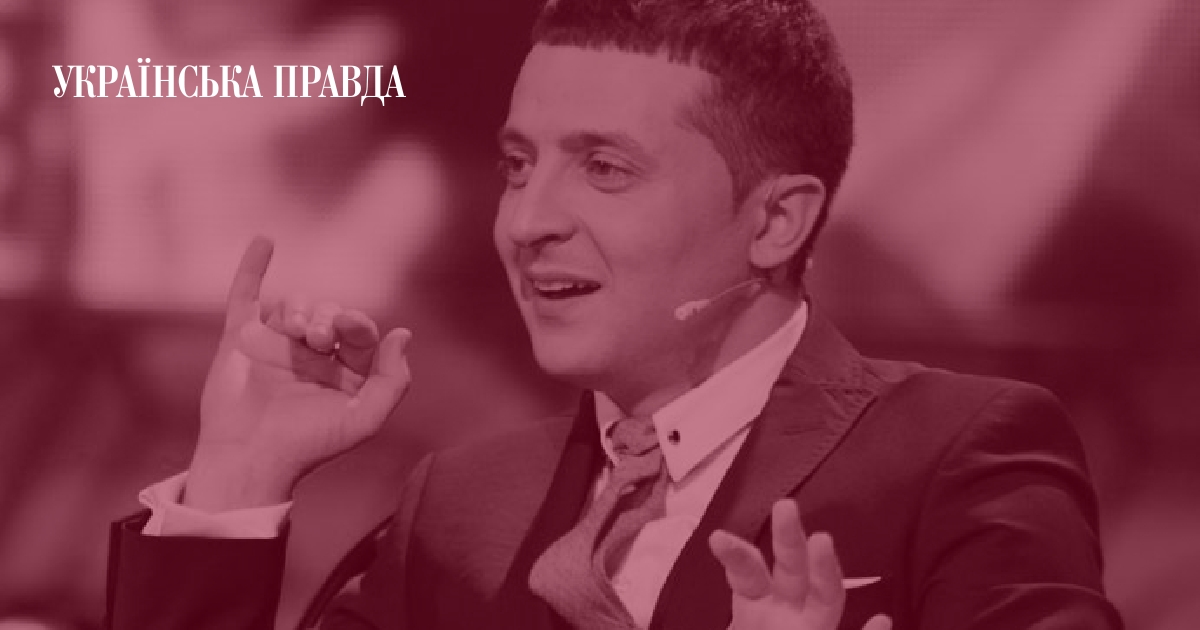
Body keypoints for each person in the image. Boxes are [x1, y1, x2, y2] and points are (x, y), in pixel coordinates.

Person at [105, 0, 1123, 628]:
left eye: (604, 168)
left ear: (775, 222)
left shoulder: (957, 455)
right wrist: (238, 480)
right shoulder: (458, 506)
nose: (528, 222)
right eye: (518, 166)